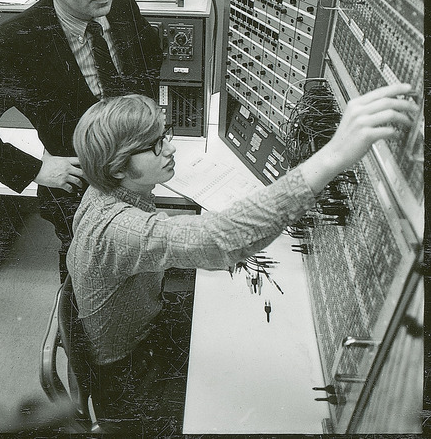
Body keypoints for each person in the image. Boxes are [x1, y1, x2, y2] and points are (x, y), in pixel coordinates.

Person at [66, 83, 415, 432]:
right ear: (116, 168)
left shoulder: (105, 190)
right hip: (131, 375)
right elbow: (216, 239)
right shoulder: (116, 228)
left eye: (165, 134)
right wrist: (332, 156)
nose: (170, 148)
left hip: (142, 333)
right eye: (155, 145)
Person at [0, 0, 163, 280]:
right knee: (88, 291)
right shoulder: (16, 43)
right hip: (77, 198)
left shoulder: (124, 8)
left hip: (138, 184)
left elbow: (149, 62)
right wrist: (36, 168)